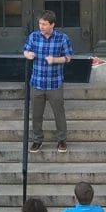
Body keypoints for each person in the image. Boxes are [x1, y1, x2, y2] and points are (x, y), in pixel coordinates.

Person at [22, 10, 73, 154]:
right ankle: (37, 140)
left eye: (44, 24)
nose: (41, 26)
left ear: (52, 25)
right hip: (36, 82)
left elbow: (68, 57)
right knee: (37, 114)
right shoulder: (33, 36)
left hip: (54, 83)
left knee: (59, 113)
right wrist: (28, 54)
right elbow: (25, 50)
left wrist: (55, 60)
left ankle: (61, 140)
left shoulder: (62, 38)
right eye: (40, 23)